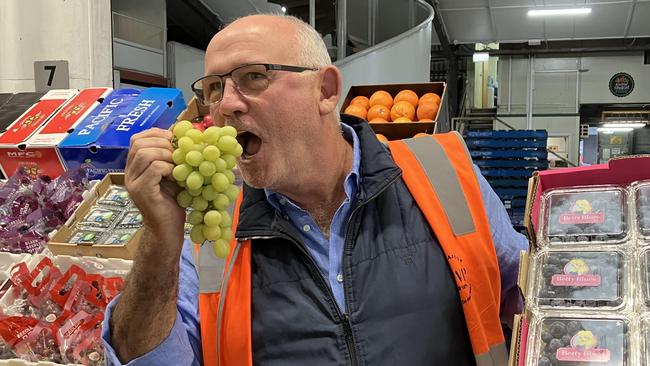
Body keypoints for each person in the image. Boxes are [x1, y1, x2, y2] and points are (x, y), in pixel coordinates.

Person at [102, 14, 528, 366]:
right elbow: (149, 359)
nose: (226, 104)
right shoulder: (208, 233)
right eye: (214, 87)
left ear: (325, 90)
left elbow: (531, 299)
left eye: (253, 77)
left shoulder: (442, 173)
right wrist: (159, 240)